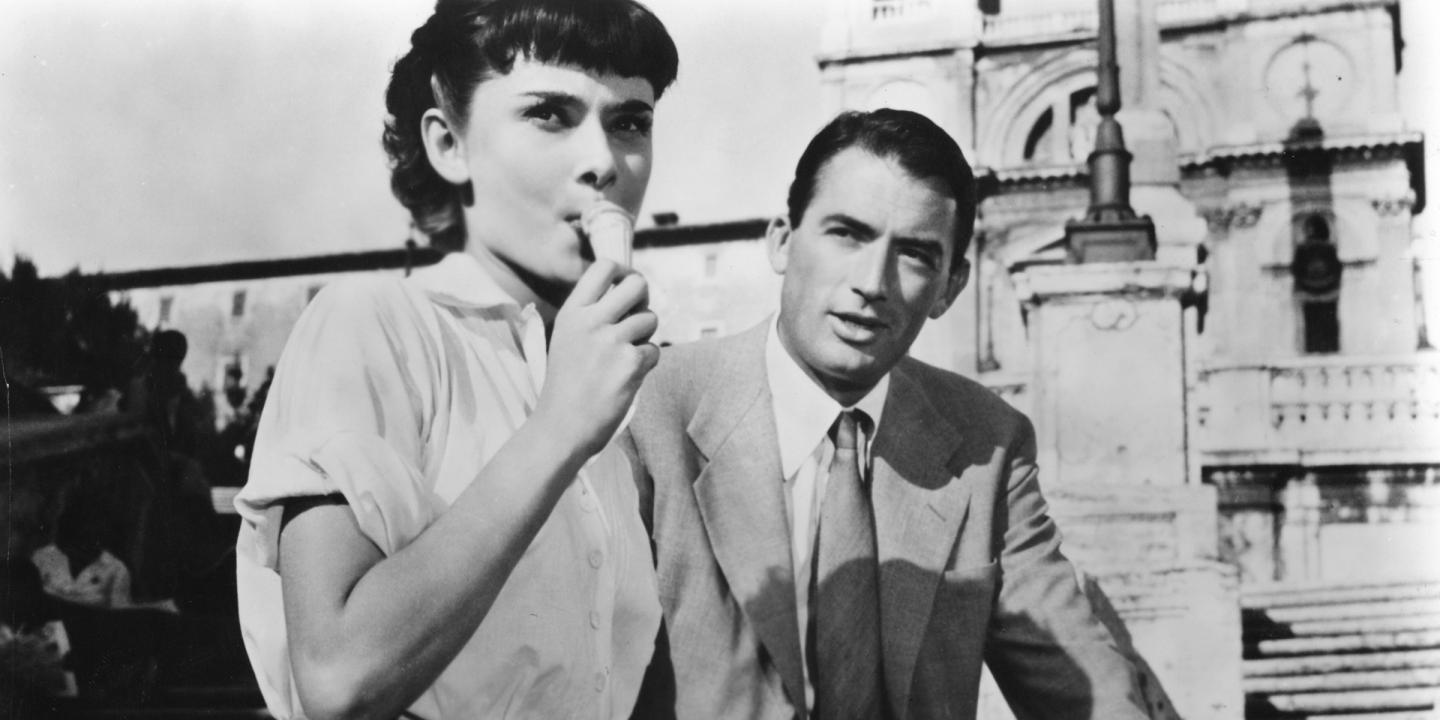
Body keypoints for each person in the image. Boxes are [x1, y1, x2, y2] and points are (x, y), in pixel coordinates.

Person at [623, 109, 1150, 719]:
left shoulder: (987, 443)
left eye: (915, 255)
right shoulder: (650, 408)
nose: (872, 282)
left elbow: (1082, 685)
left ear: (951, 286)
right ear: (782, 241)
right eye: (846, 233)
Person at [232, 1, 677, 718]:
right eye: (551, 115)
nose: (603, 163)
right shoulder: (373, 325)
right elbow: (339, 679)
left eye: (630, 122)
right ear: (448, 145)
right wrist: (559, 429)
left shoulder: (596, 374)